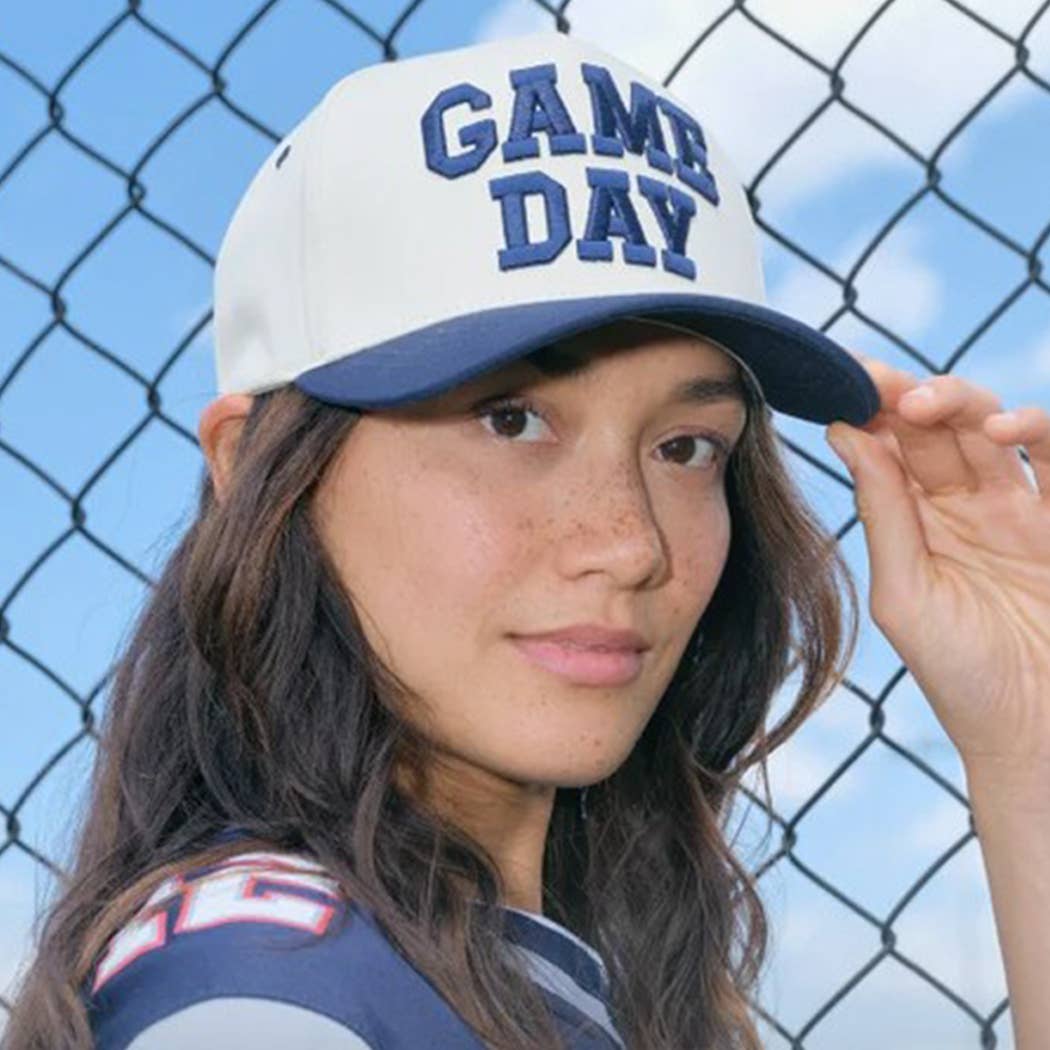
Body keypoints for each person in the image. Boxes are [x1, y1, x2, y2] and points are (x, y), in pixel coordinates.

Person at [4, 28, 1049, 1050]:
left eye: (686, 447)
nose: (630, 542)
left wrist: (1028, 740)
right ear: (252, 469)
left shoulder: (515, 966)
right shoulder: (269, 997)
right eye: (510, 419)